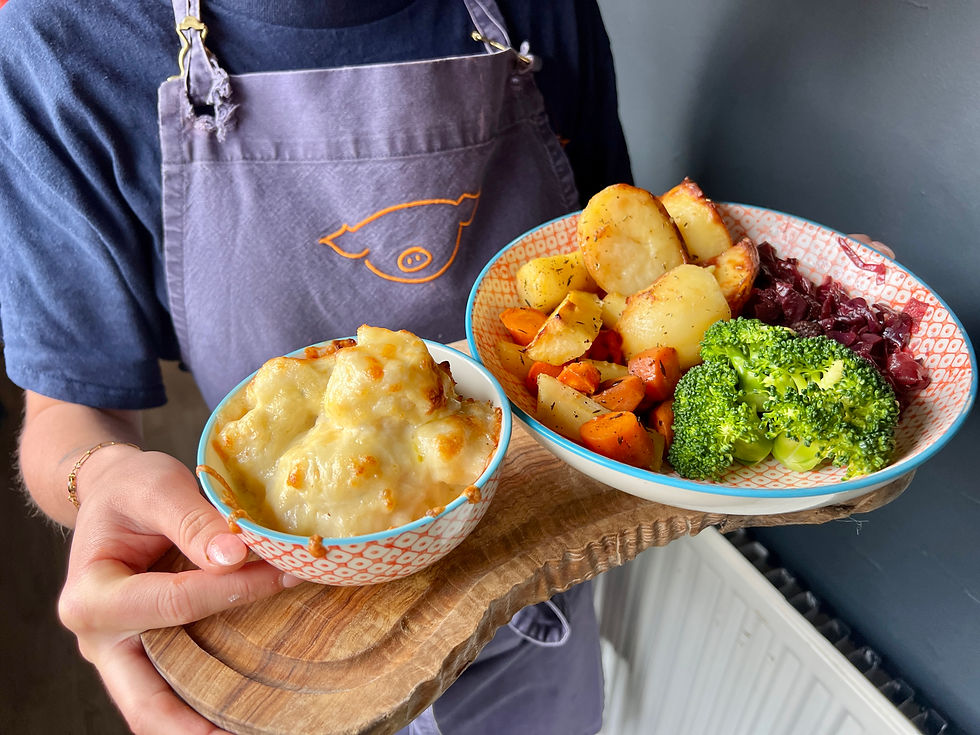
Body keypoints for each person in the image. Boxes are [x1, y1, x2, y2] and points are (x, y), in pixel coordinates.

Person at [0, 1, 632, 733]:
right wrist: (98, 472)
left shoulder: (546, 7)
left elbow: (611, 292)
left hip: (529, 613)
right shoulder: (62, 42)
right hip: (288, 644)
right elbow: (67, 411)